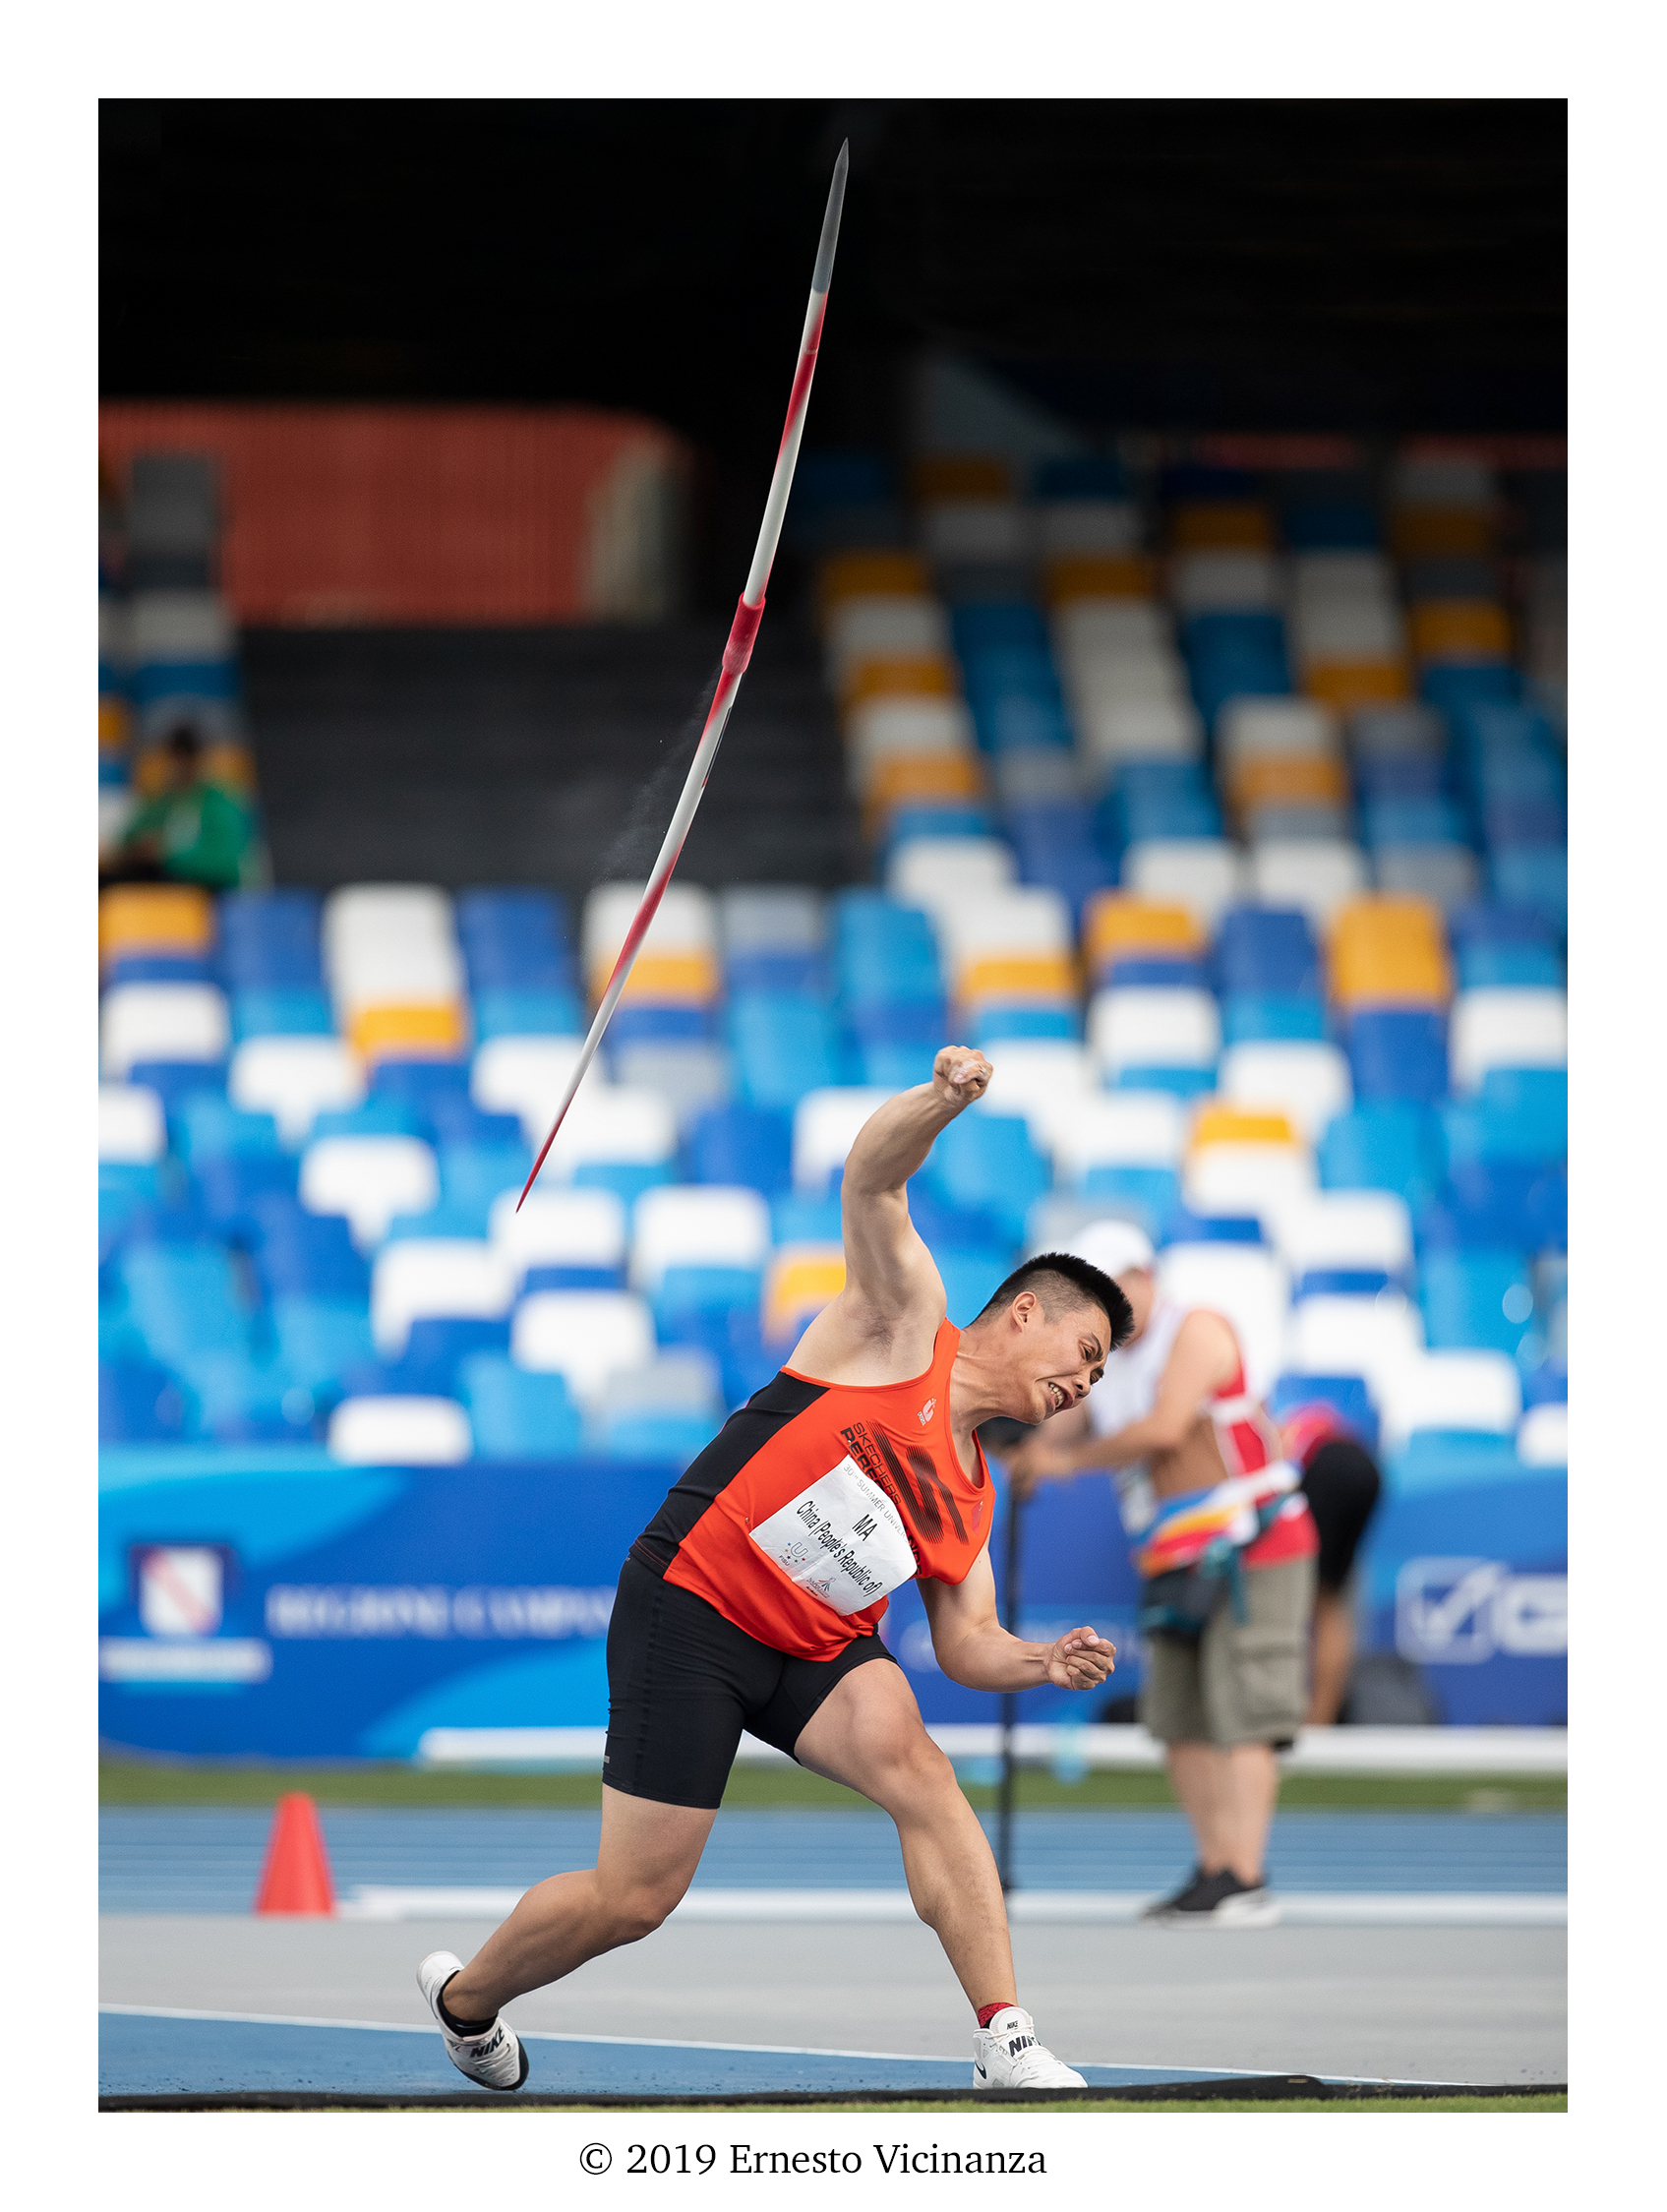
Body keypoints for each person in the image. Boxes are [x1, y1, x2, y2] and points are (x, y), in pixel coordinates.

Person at [417, 1048, 1134, 2093]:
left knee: (926, 1776)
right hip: (694, 1602)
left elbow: (964, 1639)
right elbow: (872, 1179)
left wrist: (1039, 1658)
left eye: (1104, 1372)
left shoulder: (975, 1491)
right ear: (1026, 1309)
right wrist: (942, 1101)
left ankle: (1004, 2038)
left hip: (814, 1645)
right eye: (1086, 1348)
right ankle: (468, 1999)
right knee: (636, 1896)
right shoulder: (903, 1324)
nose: (1087, 1380)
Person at [1006, 1221, 1318, 1928]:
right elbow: (1061, 1424)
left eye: (1114, 1286)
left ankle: (1245, 1872)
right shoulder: (1102, 1360)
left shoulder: (1196, 1329)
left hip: (1251, 1537)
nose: (1106, 1303)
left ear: (1145, 1276)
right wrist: (1027, 1440)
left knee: (1244, 1707)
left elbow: (1164, 1428)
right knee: (1177, 1714)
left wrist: (1058, 1462)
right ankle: (1213, 1869)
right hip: (1172, 1549)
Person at [1279, 1399, 1383, 1725]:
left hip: (1329, 1472)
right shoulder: (1318, 1421)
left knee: (1311, 1607)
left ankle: (1309, 1718)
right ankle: (1321, 1717)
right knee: (1332, 1606)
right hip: (1368, 1472)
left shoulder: (1282, 1430)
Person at [101, 722, 252, 889]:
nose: (178, 766)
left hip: (205, 890)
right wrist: (136, 847)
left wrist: (168, 855)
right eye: (173, 758)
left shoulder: (219, 803)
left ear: (198, 760)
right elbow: (128, 838)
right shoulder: (163, 802)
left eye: (185, 758)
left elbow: (226, 864)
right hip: (161, 884)